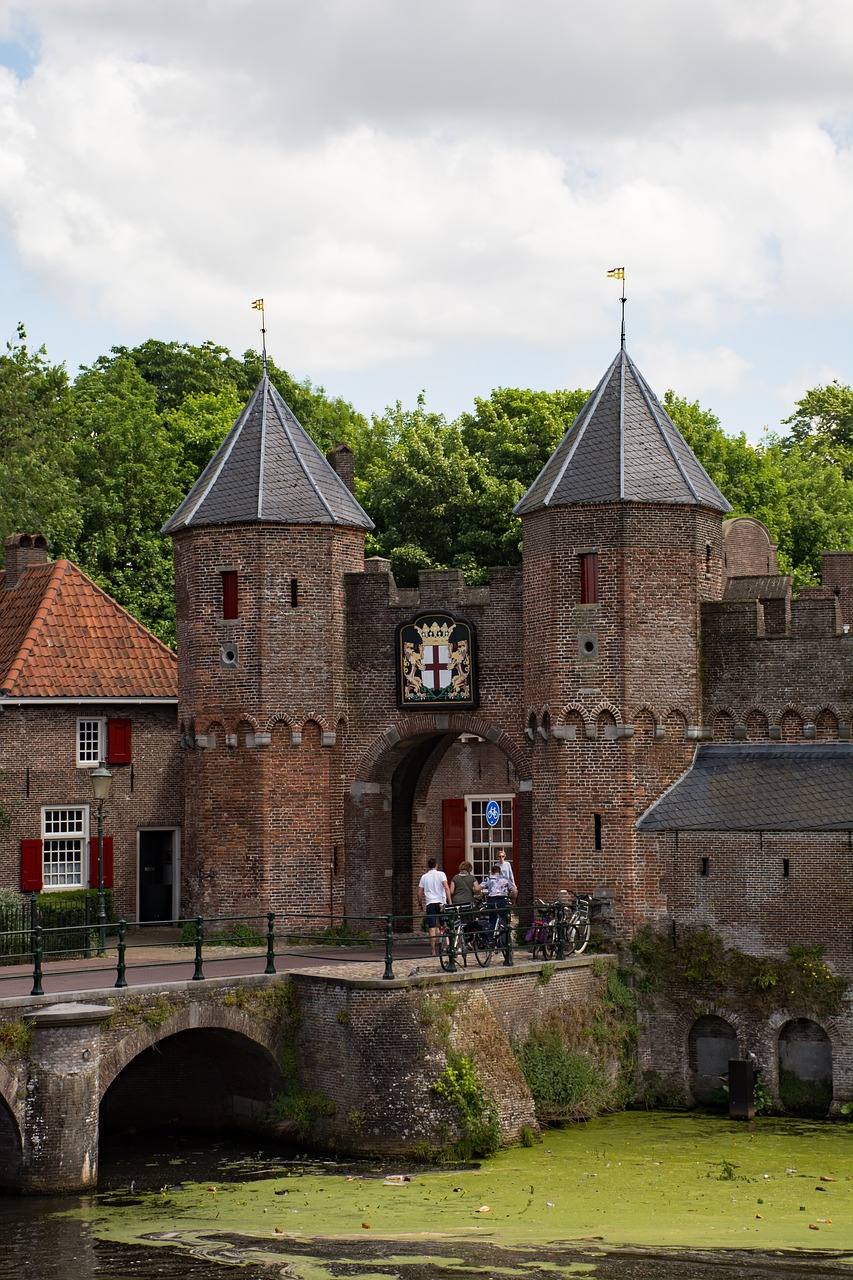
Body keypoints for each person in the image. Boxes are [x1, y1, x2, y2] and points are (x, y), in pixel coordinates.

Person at [417, 857, 451, 956]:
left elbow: (419, 893)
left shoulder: (424, 877)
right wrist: (449, 901)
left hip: (430, 903)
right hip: (441, 902)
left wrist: (420, 904)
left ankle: (433, 950)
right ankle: (447, 945)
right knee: (443, 925)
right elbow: (446, 887)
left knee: (432, 927)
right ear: (436, 865)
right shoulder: (441, 874)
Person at [451, 861, 480, 937]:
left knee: (457, 919)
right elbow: (477, 889)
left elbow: (451, 891)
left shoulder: (455, 877)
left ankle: (457, 934)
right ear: (469, 869)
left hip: (457, 901)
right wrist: (472, 890)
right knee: (470, 920)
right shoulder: (472, 878)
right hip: (468, 902)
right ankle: (468, 937)